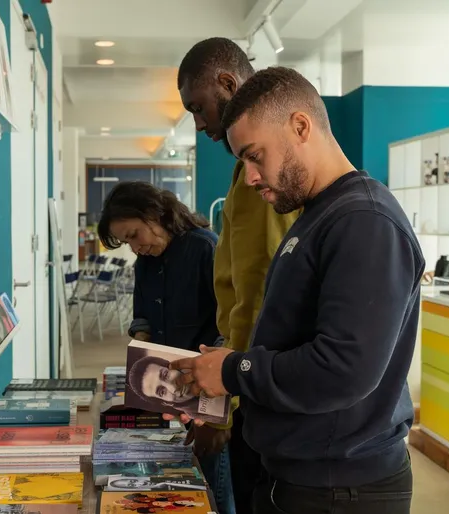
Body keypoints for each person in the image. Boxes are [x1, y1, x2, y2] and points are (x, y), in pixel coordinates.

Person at [170, 67, 423, 514]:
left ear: (301, 126)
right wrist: (226, 359)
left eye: (255, 156)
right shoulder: (317, 214)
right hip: (300, 472)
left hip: (339, 487)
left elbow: (343, 369)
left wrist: (234, 371)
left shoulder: (364, 221)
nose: (249, 177)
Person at [176, 37, 299, 514]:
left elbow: (256, 292)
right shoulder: (246, 172)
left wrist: (223, 404)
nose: (199, 122)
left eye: (199, 107)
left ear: (228, 83)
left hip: (254, 386)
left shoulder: (262, 182)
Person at [97, 181, 235, 514]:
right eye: (126, 241)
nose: (134, 247)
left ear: (154, 215)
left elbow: (228, 321)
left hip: (208, 389)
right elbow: (141, 314)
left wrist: (213, 403)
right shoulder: (144, 262)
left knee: (212, 484)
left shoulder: (205, 248)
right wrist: (142, 340)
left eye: (134, 235)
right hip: (166, 387)